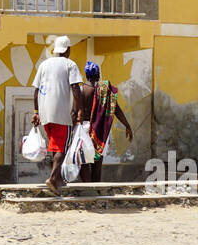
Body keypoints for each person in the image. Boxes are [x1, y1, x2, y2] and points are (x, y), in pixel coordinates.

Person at [30, 36, 83, 194]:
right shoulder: (70, 64)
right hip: (62, 113)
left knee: (55, 145)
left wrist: (36, 112)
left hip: (45, 113)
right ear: (67, 49)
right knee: (61, 147)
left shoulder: (44, 65)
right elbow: (75, 89)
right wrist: (78, 110)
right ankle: (53, 178)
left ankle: (58, 179)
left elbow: (36, 90)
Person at [74, 60, 134, 183]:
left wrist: (71, 132)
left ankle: (87, 189)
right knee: (97, 163)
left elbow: (74, 112)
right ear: (99, 75)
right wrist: (127, 126)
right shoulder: (105, 90)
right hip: (100, 129)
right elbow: (116, 110)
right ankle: (95, 189)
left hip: (83, 129)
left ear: (86, 75)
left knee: (84, 161)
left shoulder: (80, 90)